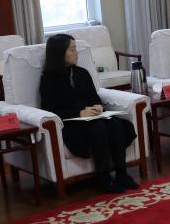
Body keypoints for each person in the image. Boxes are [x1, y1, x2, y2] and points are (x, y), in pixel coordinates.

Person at [39, 34, 137, 194]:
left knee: (116, 124)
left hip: (92, 117)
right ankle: (104, 177)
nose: (76, 53)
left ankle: (122, 174)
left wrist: (98, 107)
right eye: (72, 49)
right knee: (98, 128)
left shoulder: (82, 73)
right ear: (60, 53)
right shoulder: (48, 80)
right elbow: (50, 110)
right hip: (71, 123)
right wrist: (79, 113)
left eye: (75, 49)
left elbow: (94, 98)